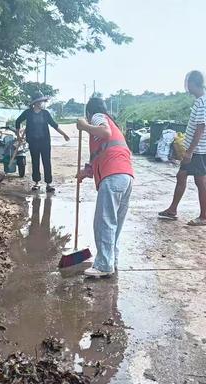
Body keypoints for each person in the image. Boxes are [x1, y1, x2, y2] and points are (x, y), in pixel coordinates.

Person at [77, 97, 134, 278]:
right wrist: (86, 171)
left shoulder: (98, 117)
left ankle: (103, 265)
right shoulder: (111, 123)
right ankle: (111, 260)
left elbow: (105, 133)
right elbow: (101, 153)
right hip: (125, 177)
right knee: (114, 223)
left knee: (104, 222)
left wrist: (84, 126)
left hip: (113, 176)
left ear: (89, 113)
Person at [158, 70, 206, 226]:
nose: (186, 86)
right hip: (195, 148)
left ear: (192, 83)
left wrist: (190, 151)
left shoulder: (202, 102)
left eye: (187, 82)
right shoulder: (203, 98)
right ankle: (173, 209)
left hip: (199, 149)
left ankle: (204, 216)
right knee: (181, 175)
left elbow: (200, 128)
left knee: (200, 180)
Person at [15, 91, 70, 193]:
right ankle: (36, 182)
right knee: (35, 162)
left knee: (46, 162)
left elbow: (54, 125)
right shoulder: (28, 113)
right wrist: (18, 136)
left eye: (42, 102)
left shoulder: (45, 114)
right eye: (40, 102)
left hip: (44, 142)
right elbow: (17, 121)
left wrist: (64, 134)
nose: (41, 104)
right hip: (33, 142)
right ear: (35, 103)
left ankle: (49, 183)